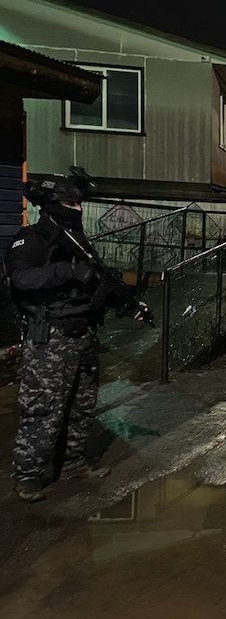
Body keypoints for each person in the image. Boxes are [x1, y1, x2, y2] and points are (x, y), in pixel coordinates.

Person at [4, 169, 149, 503]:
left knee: (82, 406)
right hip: (49, 338)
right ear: (52, 204)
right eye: (70, 203)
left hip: (82, 335)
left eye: (80, 203)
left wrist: (127, 303)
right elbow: (22, 280)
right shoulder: (30, 239)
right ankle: (28, 475)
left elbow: (97, 283)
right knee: (43, 408)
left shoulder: (78, 242)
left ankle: (73, 462)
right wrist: (68, 271)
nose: (78, 209)